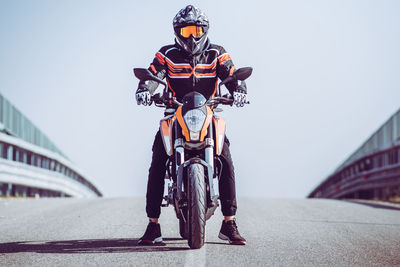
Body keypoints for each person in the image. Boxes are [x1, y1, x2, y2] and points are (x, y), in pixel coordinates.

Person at [136, 5, 248, 245]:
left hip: (208, 113)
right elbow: (152, 75)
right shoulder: (166, 54)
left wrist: (239, 90)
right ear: (178, 32)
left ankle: (229, 222)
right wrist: (144, 90)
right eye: (186, 30)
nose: (192, 36)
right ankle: (153, 225)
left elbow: (232, 75)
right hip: (174, 113)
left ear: (205, 30)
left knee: (226, 160)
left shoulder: (218, 53)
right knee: (157, 161)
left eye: (196, 30)